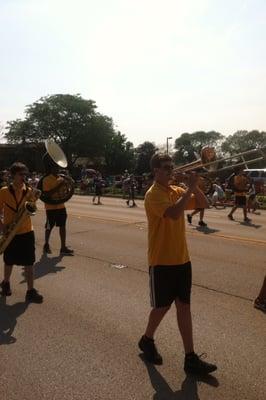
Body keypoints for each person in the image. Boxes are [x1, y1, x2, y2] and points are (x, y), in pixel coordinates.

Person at [139, 153, 217, 375]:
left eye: (172, 166)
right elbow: (173, 214)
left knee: (184, 306)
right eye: (166, 167)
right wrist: (190, 188)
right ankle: (147, 339)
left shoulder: (176, 190)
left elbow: (204, 204)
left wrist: (193, 185)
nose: (170, 170)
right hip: (162, 261)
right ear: (155, 171)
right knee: (161, 307)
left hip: (182, 260)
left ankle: (190, 358)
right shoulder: (152, 194)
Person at [0, 162, 43, 303]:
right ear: (13, 175)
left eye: (25, 174)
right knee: (9, 261)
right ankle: (5, 283)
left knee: (29, 262)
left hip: (26, 231)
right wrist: (2, 227)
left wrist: (34, 198)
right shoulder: (4, 191)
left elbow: (31, 208)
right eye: (21, 174)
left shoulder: (29, 191)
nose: (24, 177)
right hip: (10, 232)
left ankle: (30, 291)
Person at [42, 160, 74, 255]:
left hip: (61, 206)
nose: (57, 170)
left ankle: (63, 247)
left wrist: (69, 185)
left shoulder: (62, 178)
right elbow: (47, 194)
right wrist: (59, 185)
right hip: (50, 207)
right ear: (51, 169)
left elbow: (66, 191)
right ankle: (46, 244)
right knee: (49, 227)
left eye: (58, 168)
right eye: (55, 168)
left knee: (63, 226)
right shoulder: (46, 179)